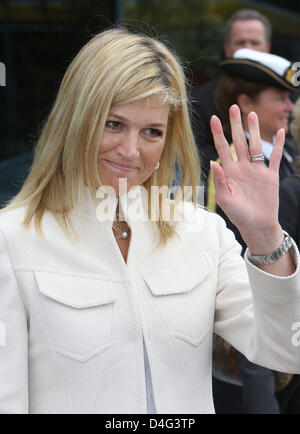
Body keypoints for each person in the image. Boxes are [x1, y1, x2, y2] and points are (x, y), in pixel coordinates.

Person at [0, 27, 299, 415]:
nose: (130, 150)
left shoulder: (202, 232)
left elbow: (286, 350)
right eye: (113, 124)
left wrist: (264, 236)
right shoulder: (12, 240)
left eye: (152, 132)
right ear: (75, 121)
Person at [207, 47, 300, 414]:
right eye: (279, 97)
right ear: (245, 101)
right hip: (263, 366)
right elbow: (247, 287)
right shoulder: (233, 169)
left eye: (290, 97)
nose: (289, 106)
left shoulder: (286, 153)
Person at [192, 8, 272, 184]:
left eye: (255, 42)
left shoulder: (290, 100)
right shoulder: (199, 101)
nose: (248, 49)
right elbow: (197, 157)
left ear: (267, 48)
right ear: (227, 47)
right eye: (240, 42)